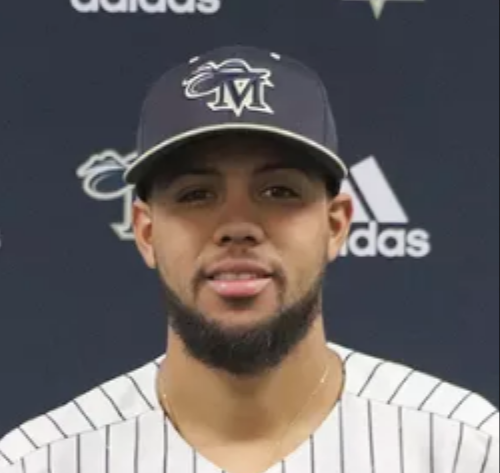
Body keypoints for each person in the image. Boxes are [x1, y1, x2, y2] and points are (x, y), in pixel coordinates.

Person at [0, 46, 498, 473]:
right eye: (196, 194)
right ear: (146, 232)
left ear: (336, 224)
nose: (237, 225)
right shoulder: (42, 460)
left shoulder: (463, 449)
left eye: (279, 191)